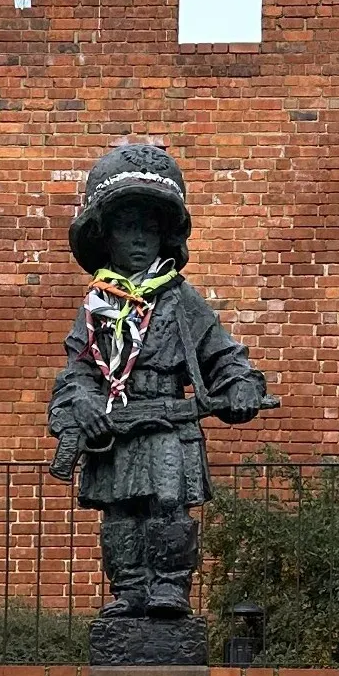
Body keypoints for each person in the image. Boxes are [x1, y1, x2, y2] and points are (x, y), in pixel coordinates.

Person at [48, 144, 274, 619]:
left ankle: (170, 586)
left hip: (169, 424)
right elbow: (77, 372)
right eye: (128, 227)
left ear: (165, 236)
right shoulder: (96, 306)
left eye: (149, 228)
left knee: (168, 509)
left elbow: (225, 355)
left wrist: (241, 386)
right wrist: (83, 407)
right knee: (120, 515)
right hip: (115, 429)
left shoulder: (180, 299)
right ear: (105, 236)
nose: (139, 239)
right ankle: (129, 590)